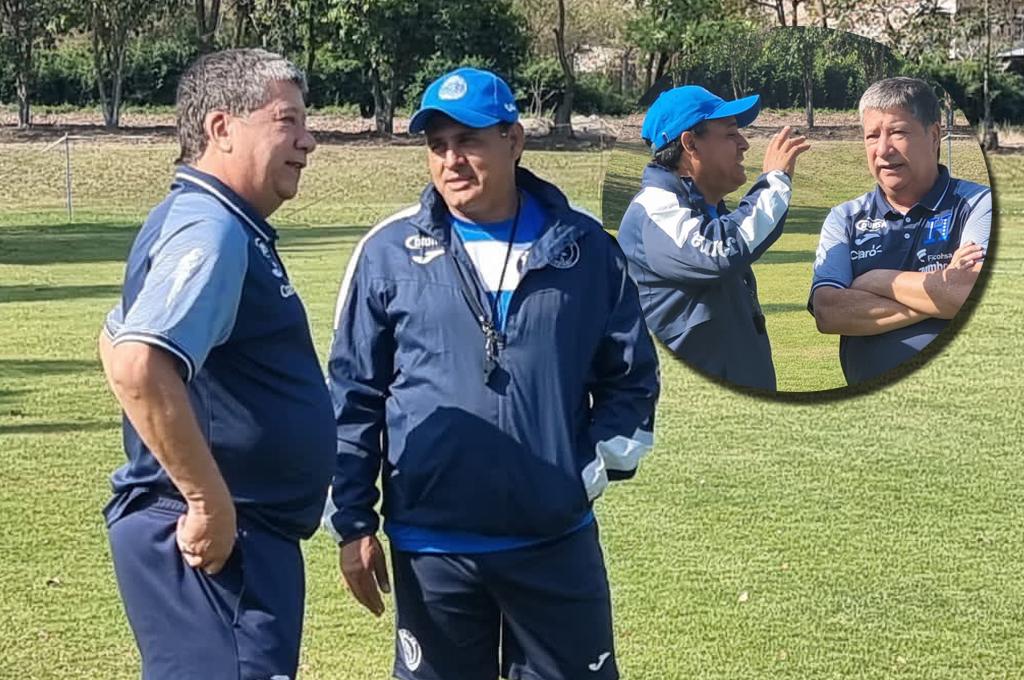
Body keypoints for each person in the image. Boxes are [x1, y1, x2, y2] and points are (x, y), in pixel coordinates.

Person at [323, 67, 660, 680]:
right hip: (432, 548)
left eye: (469, 140)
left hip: (553, 542)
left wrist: (582, 471)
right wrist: (352, 521)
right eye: (437, 145)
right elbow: (352, 397)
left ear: (515, 139)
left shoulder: (582, 248)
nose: (452, 159)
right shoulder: (387, 252)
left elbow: (630, 379)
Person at [97, 48, 333, 679]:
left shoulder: (217, 221)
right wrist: (208, 502)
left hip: (240, 541)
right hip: (219, 545)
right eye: (287, 120)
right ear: (221, 128)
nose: (308, 140)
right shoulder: (213, 228)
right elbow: (138, 364)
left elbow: (113, 340)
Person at [617, 85, 810, 391]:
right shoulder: (654, 208)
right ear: (690, 143)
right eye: (731, 133)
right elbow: (716, 252)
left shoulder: (706, 214)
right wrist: (775, 181)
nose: (744, 144)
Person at [809, 77, 992, 385]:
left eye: (898, 132)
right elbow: (828, 312)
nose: (883, 149)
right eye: (871, 136)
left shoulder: (977, 204)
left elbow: (966, 293)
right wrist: (939, 298)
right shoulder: (845, 218)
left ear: (933, 135)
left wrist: (874, 280)